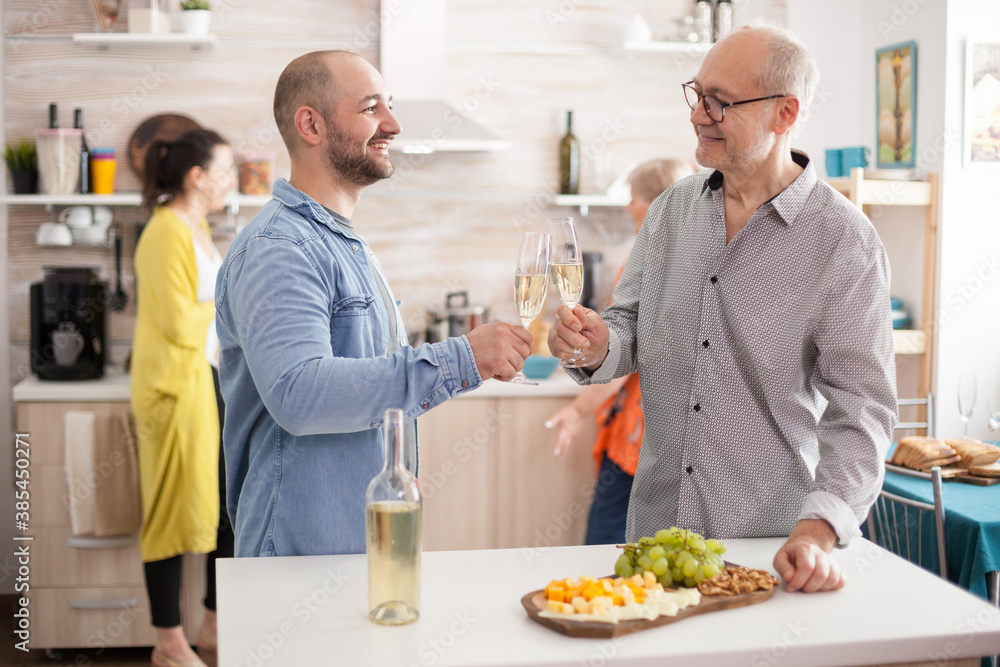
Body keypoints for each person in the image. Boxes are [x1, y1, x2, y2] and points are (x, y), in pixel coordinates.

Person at [548, 25, 898, 594]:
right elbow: (630, 328)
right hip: (654, 543)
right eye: (696, 94)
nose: (697, 115)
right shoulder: (670, 212)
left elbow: (863, 411)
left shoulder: (844, 243)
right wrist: (595, 344)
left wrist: (818, 530)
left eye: (721, 102)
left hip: (771, 551)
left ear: (785, 114)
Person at [215, 50, 532, 558]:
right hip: (299, 557)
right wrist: (461, 358)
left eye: (391, 105)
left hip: (358, 544)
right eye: (371, 108)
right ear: (310, 124)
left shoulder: (342, 243)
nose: (393, 124)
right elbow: (299, 393)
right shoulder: (280, 249)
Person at [546, 158, 694, 545]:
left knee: (604, 552)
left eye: (633, 198)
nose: (629, 207)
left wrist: (578, 411)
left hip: (638, 445)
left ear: (657, 202)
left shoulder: (646, 262)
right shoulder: (697, 258)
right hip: (676, 449)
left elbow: (624, 357)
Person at [132, 128, 237, 666]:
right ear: (197, 178)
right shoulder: (164, 233)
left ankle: (212, 625)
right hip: (174, 392)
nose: (230, 181)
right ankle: (168, 642)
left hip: (207, 383)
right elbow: (178, 320)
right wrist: (233, 309)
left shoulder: (196, 227)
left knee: (226, 508)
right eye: (224, 171)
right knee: (171, 513)